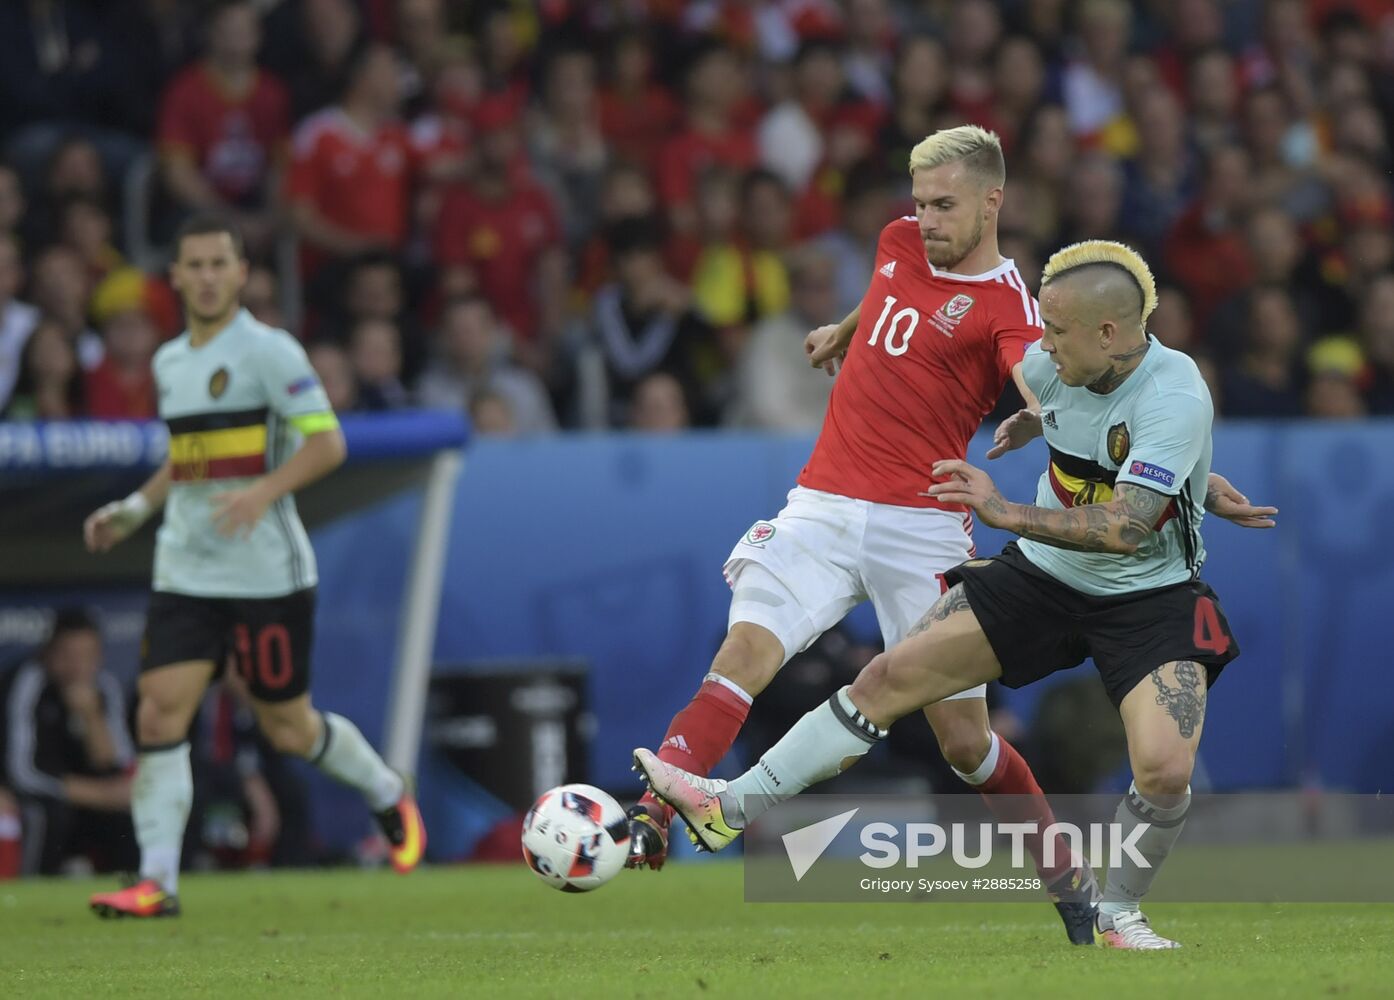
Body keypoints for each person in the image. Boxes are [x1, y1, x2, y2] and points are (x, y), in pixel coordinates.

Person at [636, 239, 1276, 951]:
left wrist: (1003, 511)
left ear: (1110, 332)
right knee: (886, 677)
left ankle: (1118, 914)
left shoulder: (1177, 392)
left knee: (1163, 767)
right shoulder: (1052, 362)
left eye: (1058, 332)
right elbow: (1055, 400)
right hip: (1044, 572)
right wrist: (849, 331)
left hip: (1148, 593)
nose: (1042, 345)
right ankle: (729, 807)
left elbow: (1127, 526)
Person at [627, 124, 1086, 943]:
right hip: (824, 503)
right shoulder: (899, 241)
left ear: (993, 202)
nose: (928, 220)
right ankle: (659, 809)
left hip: (924, 531)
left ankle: (1068, 878)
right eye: (919, 203)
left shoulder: (1011, 310)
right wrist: (845, 330)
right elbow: (888, 285)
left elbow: (1042, 384)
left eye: (946, 206)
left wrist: (1053, 415)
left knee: (965, 744)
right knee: (744, 653)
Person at [82, 215, 424, 919]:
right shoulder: (170, 361)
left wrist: (264, 492)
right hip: (185, 569)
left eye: (219, 264)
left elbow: (326, 444)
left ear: (241, 273)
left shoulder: (271, 353)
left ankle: (387, 792)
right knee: (159, 712)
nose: (207, 276)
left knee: (287, 729)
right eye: (194, 264)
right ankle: (157, 880)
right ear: (174, 277)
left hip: (266, 572)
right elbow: (186, 459)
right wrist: (133, 510)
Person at [0, 608, 134, 875]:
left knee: (129, 813)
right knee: (46, 814)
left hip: (84, 794)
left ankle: (128, 887)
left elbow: (116, 762)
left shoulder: (105, 687)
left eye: (87, 657)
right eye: (68, 656)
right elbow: (22, 772)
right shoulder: (27, 681)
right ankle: (30, 891)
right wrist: (97, 794)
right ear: (48, 653)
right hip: (28, 794)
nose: (78, 667)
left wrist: (90, 715)